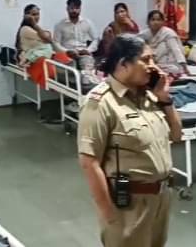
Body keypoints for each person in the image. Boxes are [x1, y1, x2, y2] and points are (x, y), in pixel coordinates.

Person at [77, 34, 182, 247]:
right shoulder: (100, 103)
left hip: (160, 198)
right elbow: (89, 163)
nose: (153, 66)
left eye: (153, 59)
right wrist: (110, 215)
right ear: (124, 64)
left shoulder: (150, 97)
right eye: (146, 59)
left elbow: (176, 135)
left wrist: (165, 99)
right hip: (129, 204)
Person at [53, 0, 98, 74]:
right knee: (71, 72)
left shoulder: (87, 23)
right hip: (67, 54)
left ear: (80, 9)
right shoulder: (60, 25)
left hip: (83, 53)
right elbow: (56, 43)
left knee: (88, 70)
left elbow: (96, 39)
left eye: (77, 8)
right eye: (72, 8)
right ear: (67, 9)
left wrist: (88, 50)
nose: (74, 10)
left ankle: (86, 79)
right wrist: (66, 51)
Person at [138, 10, 191, 76]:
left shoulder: (168, 33)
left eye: (158, 20)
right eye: (153, 20)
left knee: (163, 46)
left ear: (163, 22)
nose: (156, 22)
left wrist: (185, 68)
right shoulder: (144, 34)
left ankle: (157, 69)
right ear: (148, 22)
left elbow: (176, 50)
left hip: (167, 63)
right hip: (151, 62)